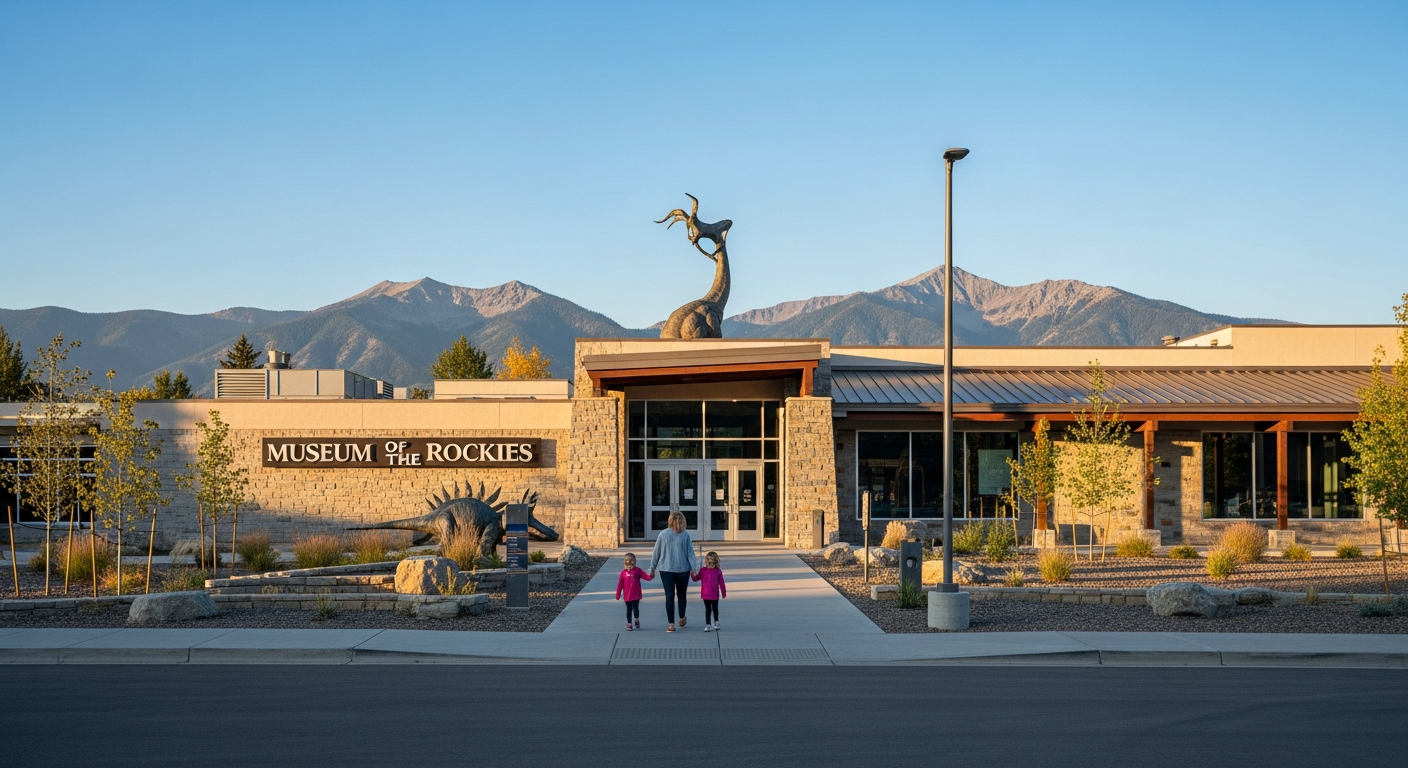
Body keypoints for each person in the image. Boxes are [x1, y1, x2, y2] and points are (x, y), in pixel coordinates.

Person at [649, 510, 698, 633]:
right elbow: (690, 553)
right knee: (682, 595)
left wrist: (652, 568)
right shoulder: (685, 535)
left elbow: (656, 553)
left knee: (669, 596)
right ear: (683, 521)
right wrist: (694, 568)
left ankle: (671, 624)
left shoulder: (662, 534)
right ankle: (681, 618)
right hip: (683, 569)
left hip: (666, 570)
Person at [615, 553, 653, 631]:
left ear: (634, 561)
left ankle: (636, 619)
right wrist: (618, 594)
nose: (629, 562)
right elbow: (620, 585)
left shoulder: (637, 571)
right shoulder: (623, 573)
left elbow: (646, 577)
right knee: (628, 610)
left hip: (636, 595)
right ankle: (629, 623)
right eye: (627, 561)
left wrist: (651, 576)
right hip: (627, 596)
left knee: (636, 609)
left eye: (631, 561)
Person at [693, 551, 726, 631]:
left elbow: (721, 583)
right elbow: (696, 578)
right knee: (709, 609)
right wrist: (692, 574)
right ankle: (708, 624)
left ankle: (715, 622)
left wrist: (723, 592)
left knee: (714, 609)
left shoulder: (718, 571)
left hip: (713, 594)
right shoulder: (703, 570)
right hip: (707, 594)